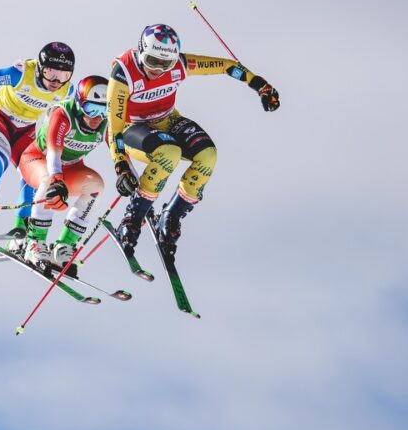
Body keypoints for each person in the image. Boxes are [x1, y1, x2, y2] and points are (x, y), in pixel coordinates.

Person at [107, 24, 280, 256]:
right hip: (132, 129)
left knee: (208, 155)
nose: (157, 70)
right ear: (140, 52)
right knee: (170, 153)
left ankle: (170, 218)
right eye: (151, 61)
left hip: (167, 120)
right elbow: (115, 128)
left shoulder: (181, 65)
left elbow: (227, 66)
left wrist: (260, 85)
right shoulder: (124, 72)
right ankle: (132, 220)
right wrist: (121, 165)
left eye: (165, 64)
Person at [0, 42, 75, 242]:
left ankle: (21, 227)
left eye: (64, 76)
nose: (56, 81)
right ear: (40, 68)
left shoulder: (67, 91)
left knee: (31, 176)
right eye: (51, 73)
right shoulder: (21, 75)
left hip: (25, 131)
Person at [17, 75, 109, 273]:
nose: (97, 118)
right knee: (49, 180)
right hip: (38, 159)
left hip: (71, 168)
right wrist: (57, 179)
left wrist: (130, 176)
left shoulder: (106, 123)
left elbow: (121, 153)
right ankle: (34, 243)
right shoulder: (63, 114)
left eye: (104, 110)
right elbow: (53, 152)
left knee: (97, 186)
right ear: (79, 104)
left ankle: (63, 247)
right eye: (91, 109)